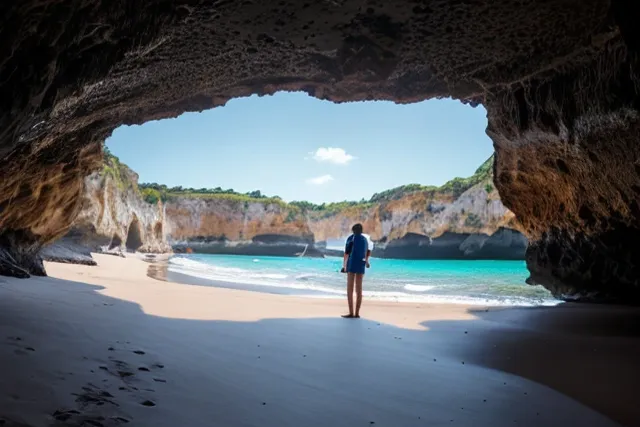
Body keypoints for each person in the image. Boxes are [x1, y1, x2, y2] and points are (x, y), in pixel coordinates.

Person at [341, 223, 372, 318]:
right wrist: (367, 261)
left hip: (352, 264)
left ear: (353, 230)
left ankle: (351, 312)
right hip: (361, 264)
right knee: (359, 289)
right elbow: (368, 251)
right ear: (361, 230)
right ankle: (357, 313)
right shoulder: (365, 239)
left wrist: (344, 266)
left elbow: (346, 253)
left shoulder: (351, 238)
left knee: (350, 289)